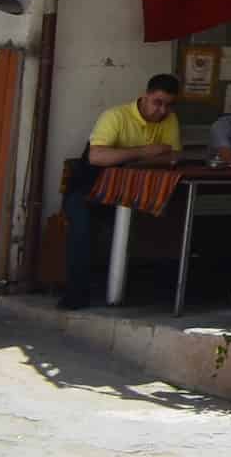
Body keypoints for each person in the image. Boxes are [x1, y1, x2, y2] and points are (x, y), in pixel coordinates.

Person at [61, 73, 181, 309]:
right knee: (83, 229)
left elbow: (173, 156)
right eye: (157, 102)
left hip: (132, 192)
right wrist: (145, 152)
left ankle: (139, 291)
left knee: (161, 222)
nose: (161, 110)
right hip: (88, 189)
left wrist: (123, 157)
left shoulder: (170, 119)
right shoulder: (115, 116)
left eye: (168, 105)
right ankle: (76, 295)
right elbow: (97, 156)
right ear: (145, 96)